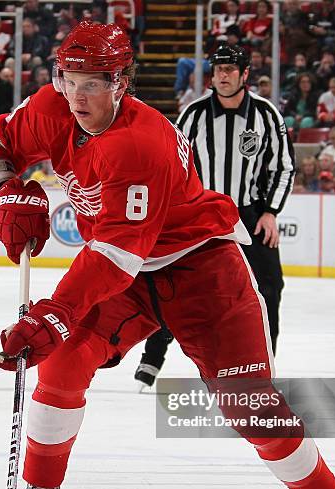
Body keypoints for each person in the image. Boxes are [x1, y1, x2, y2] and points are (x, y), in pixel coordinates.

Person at [0, 21, 335, 489]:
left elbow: (114, 258)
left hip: (201, 269)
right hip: (125, 272)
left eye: (94, 82)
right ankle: (40, 487)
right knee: (60, 365)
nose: (78, 94)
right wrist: (8, 189)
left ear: (121, 82)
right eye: (69, 78)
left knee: (248, 405)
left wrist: (53, 312)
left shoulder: (139, 144)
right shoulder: (51, 107)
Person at [135, 43, 293, 390]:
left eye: (230, 69)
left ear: (245, 74)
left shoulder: (267, 115)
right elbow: (171, 163)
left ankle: (264, 367)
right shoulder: (193, 114)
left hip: (249, 215)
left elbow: (282, 167)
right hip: (201, 215)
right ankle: (152, 358)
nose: (223, 75)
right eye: (218, 69)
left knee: (269, 289)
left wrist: (270, 212)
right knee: (174, 284)